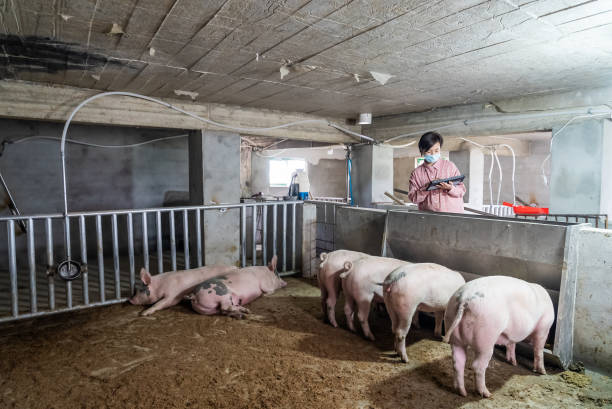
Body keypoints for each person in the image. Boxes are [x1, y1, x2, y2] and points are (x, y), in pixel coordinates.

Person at [408, 132, 465, 213]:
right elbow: (413, 198)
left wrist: (450, 188)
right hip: (429, 217)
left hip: (453, 215)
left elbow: (462, 191)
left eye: (436, 150)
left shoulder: (450, 166)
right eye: (429, 151)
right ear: (422, 151)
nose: (433, 154)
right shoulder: (416, 173)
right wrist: (426, 188)